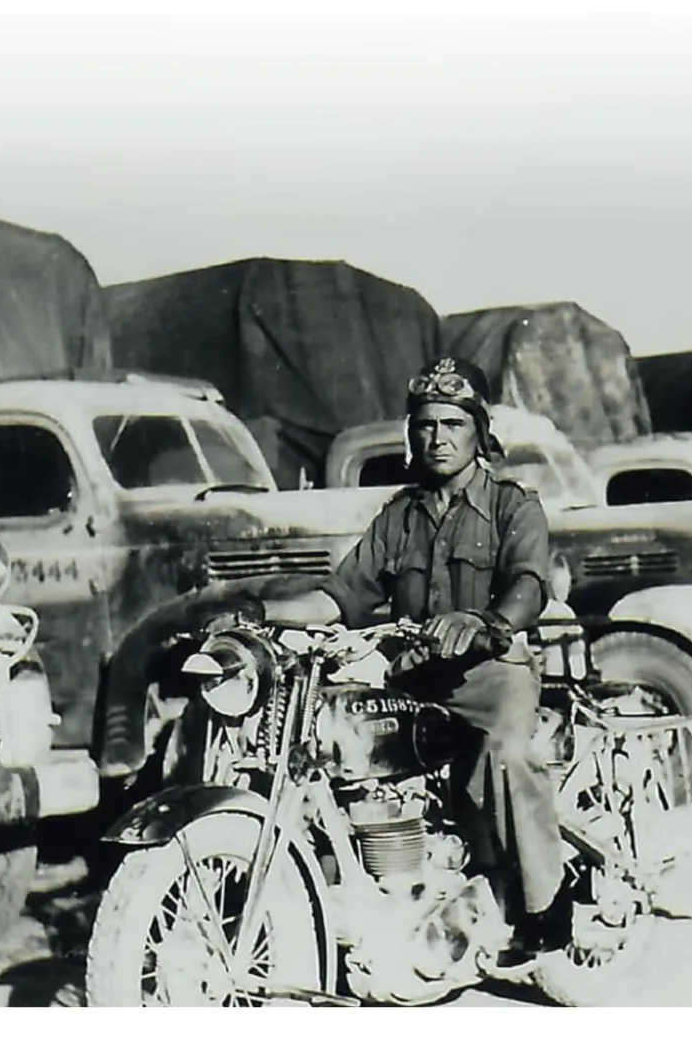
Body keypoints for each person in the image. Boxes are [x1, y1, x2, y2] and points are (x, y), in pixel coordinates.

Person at [261, 356, 568, 955]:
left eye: (453, 423)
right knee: (340, 748)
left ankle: (545, 911)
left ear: (479, 430)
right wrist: (262, 614)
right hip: (412, 675)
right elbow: (344, 593)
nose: (438, 437)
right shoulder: (400, 514)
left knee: (508, 756)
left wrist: (486, 622)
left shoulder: (512, 505)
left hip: (489, 673)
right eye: (426, 424)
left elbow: (530, 584)